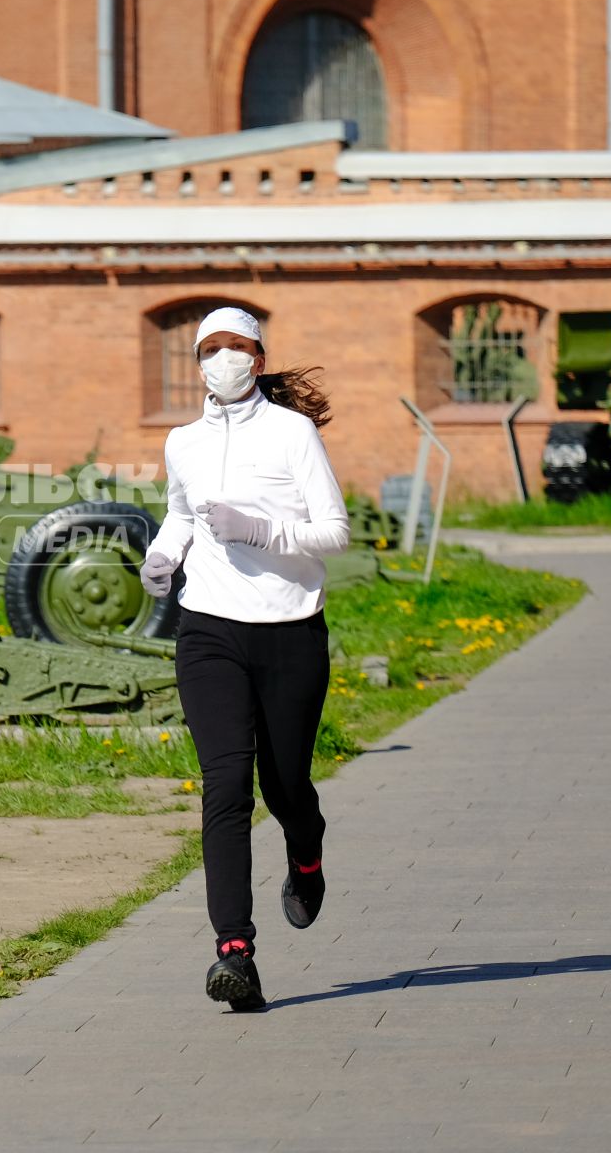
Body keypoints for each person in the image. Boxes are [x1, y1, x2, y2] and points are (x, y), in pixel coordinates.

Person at [139, 307, 349, 1012]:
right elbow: (181, 512)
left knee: (284, 785)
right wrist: (165, 552)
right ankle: (236, 952)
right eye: (210, 349)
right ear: (197, 361)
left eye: (236, 347)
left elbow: (334, 533)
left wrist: (259, 529)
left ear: (257, 358)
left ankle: (307, 851)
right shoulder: (183, 441)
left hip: (289, 630)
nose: (222, 358)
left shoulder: (293, 434)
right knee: (224, 785)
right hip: (208, 632)